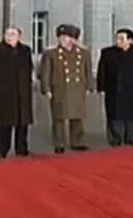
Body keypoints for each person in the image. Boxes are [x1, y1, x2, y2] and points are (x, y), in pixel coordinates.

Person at [0, 26, 34, 160]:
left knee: (22, 122)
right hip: (3, 93)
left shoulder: (25, 50)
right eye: (7, 34)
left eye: (13, 34)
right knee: (3, 123)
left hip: (22, 92)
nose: (10, 37)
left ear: (19, 36)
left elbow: (29, 68)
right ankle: (1, 150)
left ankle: (21, 148)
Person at [39, 24, 93, 154]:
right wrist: (46, 88)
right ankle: (59, 143)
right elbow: (45, 72)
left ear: (73, 39)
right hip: (59, 88)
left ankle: (77, 142)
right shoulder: (51, 53)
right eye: (61, 37)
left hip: (77, 88)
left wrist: (90, 86)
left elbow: (88, 71)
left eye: (66, 37)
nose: (62, 40)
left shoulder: (84, 53)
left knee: (77, 117)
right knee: (59, 117)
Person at [97, 28, 133, 147]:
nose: (118, 41)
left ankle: (130, 138)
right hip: (113, 89)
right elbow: (102, 71)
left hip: (132, 89)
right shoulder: (108, 52)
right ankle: (115, 139)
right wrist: (101, 87)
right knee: (114, 114)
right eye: (117, 38)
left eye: (121, 38)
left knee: (131, 114)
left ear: (130, 40)